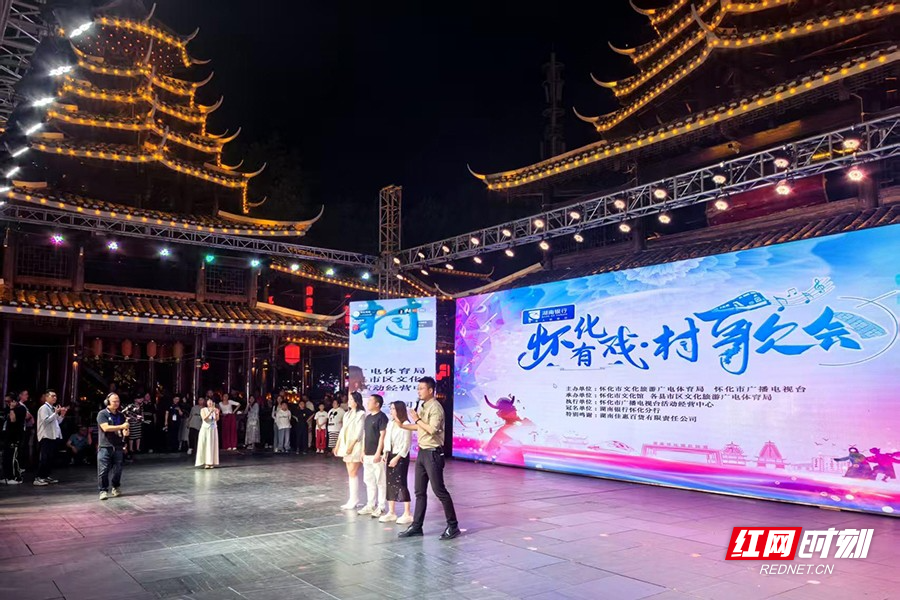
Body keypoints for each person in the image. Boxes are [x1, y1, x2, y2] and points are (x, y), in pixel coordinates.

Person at [397, 377, 460, 540]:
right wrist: (403, 425)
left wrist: (417, 418)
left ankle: (453, 526)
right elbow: (420, 427)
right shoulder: (423, 406)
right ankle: (417, 526)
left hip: (433, 453)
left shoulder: (435, 407)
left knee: (439, 491)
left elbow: (431, 429)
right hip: (422, 452)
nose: (418, 391)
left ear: (430, 390)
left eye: (421, 388)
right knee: (419, 492)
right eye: (418, 388)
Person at [381, 401, 413, 524]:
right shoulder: (391, 423)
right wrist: (385, 453)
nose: (391, 411)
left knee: (401, 483)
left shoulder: (406, 424)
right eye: (391, 408)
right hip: (390, 454)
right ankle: (391, 512)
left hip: (401, 456)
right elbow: (387, 440)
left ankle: (407, 513)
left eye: (393, 408)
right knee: (390, 483)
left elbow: (406, 445)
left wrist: (397, 458)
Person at [333, 392, 365, 510]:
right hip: (346, 444)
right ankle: (353, 498)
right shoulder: (346, 414)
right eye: (349, 399)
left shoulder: (361, 414)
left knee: (353, 472)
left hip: (356, 445)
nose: (349, 401)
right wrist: (337, 445)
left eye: (352, 399)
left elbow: (359, 432)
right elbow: (342, 430)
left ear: (357, 401)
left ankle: (354, 499)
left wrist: (351, 446)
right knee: (350, 472)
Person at [358, 394, 389, 518]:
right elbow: (365, 435)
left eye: (370, 401)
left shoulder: (382, 417)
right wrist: (362, 451)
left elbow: (383, 436)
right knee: (369, 480)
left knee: (380, 481)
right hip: (367, 454)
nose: (368, 403)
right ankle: (370, 504)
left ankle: (381, 506)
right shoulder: (368, 417)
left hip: (377, 455)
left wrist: (378, 452)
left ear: (377, 404)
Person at [97, 393, 129, 500]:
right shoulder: (102, 414)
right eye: (114, 401)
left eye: (118, 401)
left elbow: (124, 431)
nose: (116, 403)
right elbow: (106, 428)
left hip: (118, 445)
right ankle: (103, 490)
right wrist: (121, 426)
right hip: (105, 446)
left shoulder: (121, 415)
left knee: (118, 469)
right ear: (108, 402)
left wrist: (125, 431)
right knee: (103, 470)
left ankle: (116, 486)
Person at [35, 390, 67, 486]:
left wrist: (62, 415)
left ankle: (45, 476)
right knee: (44, 458)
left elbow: (57, 422)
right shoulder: (43, 408)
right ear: (46, 397)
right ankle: (39, 477)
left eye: (55, 396)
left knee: (50, 458)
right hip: (46, 436)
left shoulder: (52, 408)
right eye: (52, 396)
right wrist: (55, 413)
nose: (55, 398)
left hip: (53, 436)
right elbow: (45, 421)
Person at [2, 392, 26, 484]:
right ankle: (7, 476)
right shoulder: (7, 409)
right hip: (7, 435)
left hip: (15, 436)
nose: (7, 403)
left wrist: (12, 409)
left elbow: (13, 420)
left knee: (13, 457)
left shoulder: (21, 409)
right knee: (6, 457)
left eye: (8, 401)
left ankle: (16, 477)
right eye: (5, 401)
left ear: (14, 401)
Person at [195, 398, 220, 469]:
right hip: (205, 429)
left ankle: (211, 462)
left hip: (213, 428)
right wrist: (210, 412)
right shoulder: (203, 410)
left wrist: (217, 413)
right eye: (209, 402)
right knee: (206, 445)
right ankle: (205, 462)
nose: (210, 403)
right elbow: (204, 418)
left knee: (212, 445)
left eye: (211, 401)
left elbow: (217, 419)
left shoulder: (215, 409)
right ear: (206, 403)